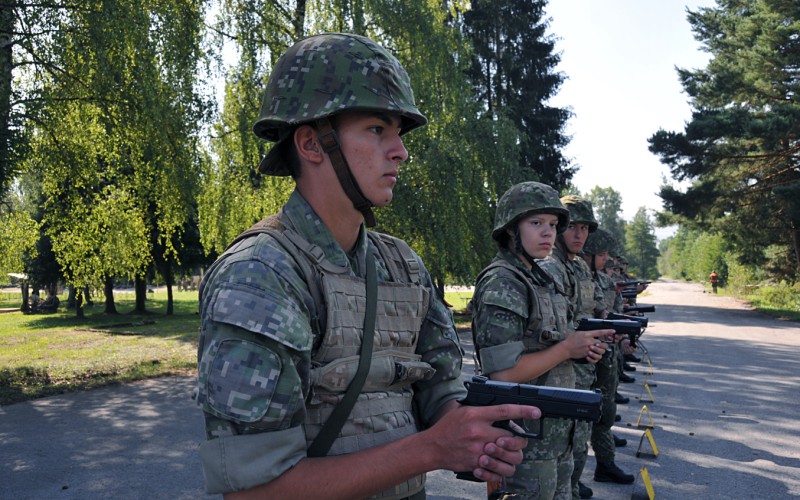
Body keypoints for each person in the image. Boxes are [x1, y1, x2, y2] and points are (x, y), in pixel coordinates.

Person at [194, 33, 535, 498]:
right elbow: (255, 491)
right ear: (312, 144)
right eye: (377, 129)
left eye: (398, 133)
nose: (400, 151)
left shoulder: (404, 265)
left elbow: (440, 389)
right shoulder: (262, 276)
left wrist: (470, 434)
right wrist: (432, 449)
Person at [471, 182, 610, 499]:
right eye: (536, 223)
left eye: (552, 224)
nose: (548, 232)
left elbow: (549, 343)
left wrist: (581, 349)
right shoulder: (503, 282)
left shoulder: (541, 278)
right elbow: (503, 374)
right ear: (510, 229)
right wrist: (567, 348)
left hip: (556, 438)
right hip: (525, 445)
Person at [538, 195, 604, 500]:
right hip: (557, 374)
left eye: (585, 228)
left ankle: (573, 489)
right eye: (573, 227)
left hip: (580, 370)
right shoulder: (550, 267)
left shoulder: (577, 267)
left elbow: (586, 312)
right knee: (562, 450)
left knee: (577, 441)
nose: (579, 234)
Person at [580, 229, 635, 485]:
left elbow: (607, 312)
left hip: (602, 354)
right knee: (580, 423)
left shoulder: (598, 279)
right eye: (601, 255)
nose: (606, 260)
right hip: (582, 359)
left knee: (605, 412)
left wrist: (622, 336)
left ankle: (605, 464)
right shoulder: (573, 277)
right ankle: (573, 482)